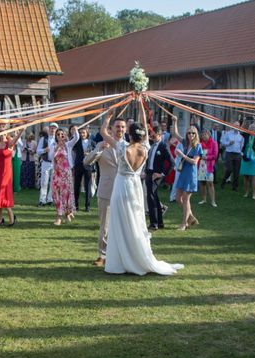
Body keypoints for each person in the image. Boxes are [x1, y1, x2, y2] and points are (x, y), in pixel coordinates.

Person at [101, 120, 183, 276]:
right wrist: (140, 104)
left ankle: (120, 261)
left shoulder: (122, 147)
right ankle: (136, 256)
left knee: (120, 222)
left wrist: (109, 114)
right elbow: (145, 124)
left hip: (121, 186)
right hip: (135, 187)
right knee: (135, 220)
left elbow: (103, 132)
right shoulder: (145, 147)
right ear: (143, 135)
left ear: (129, 135)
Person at [84, 117, 124, 266]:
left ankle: (118, 254)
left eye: (122, 127)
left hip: (123, 191)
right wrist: (99, 149)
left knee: (122, 224)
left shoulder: (127, 146)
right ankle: (102, 254)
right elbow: (86, 161)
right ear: (111, 129)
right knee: (105, 225)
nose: (120, 130)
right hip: (106, 189)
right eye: (117, 127)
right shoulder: (102, 145)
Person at [0, 127, 25, 227]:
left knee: (4, 193)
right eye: (0, 132)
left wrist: (21, 130)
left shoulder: (9, 143)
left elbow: (16, 139)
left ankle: (11, 218)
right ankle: (0, 219)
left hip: (6, 172)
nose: (2, 134)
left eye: (3, 132)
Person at [145, 125, 174, 230]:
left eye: (154, 134)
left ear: (160, 134)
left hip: (156, 175)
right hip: (149, 173)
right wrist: (146, 171)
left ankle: (154, 223)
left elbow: (172, 163)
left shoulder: (163, 146)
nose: (152, 136)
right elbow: (150, 160)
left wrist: (162, 174)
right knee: (155, 198)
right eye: (151, 134)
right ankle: (160, 223)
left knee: (151, 198)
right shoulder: (153, 145)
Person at [174, 126, 203, 231]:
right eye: (189, 133)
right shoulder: (186, 143)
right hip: (183, 173)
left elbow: (195, 162)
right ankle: (190, 216)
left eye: (193, 133)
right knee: (178, 198)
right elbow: (175, 134)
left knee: (186, 200)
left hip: (190, 174)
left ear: (196, 135)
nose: (191, 135)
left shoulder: (198, 146)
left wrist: (182, 155)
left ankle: (184, 223)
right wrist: (174, 121)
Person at [50, 128, 76, 225]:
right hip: (57, 173)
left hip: (66, 173)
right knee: (56, 195)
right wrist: (57, 147)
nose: (60, 136)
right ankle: (60, 215)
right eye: (58, 134)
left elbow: (76, 138)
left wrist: (75, 130)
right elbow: (50, 156)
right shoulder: (53, 145)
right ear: (56, 136)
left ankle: (66, 214)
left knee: (66, 194)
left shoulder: (68, 145)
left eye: (62, 134)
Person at [71, 126, 94, 212]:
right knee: (76, 186)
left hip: (88, 166)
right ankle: (75, 206)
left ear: (87, 133)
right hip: (78, 166)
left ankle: (87, 207)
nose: (82, 134)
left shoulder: (92, 142)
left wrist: (90, 154)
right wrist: (75, 132)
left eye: (83, 133)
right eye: (80, 133)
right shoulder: (76, 142)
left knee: (87, 186)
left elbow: (96, 153)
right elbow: (71, 143)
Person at [36, 123, 57, 206]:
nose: (52, 130)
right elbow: (38, 150)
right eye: (51, 128)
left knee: (53, 182)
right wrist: (45, 150)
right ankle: (42, 200)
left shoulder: (58, 139)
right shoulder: (43, 139)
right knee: (44, 182)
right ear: (49, 129)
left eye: (54, 128)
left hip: (55, 163)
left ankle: (50, 199)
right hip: (46, 162)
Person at [220, 122, 244, 191]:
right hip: (229, 153)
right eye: (236, 125)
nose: (237, 127)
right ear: (233, 126)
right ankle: (224, 181)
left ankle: (235, 187)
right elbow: (222, 142)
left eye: (238, 126)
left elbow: (241, 146)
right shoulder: (228, 133)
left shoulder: (240, 136)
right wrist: (228, 143)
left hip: (237, 154)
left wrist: (241, 153)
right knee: (229, 169)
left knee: (237, 171)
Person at [198, 128, 219, 207]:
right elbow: (198, 153)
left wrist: (207, 157)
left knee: (210, 183)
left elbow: (215, 155)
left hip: (209, 166)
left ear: (209, 135)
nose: (204, 136)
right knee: (202, 182)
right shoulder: (200, 144)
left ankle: (213, 201)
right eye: (202, 135)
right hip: (201, 165)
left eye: (205, 134)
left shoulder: (214, 143)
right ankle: (204, 199)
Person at [240, 121, 255, 199]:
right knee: (245, 176)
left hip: (254, 157)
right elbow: (240, 130)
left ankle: (254, 194)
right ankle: (246, 192)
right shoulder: (246, 135)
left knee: (253, 176)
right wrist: (244, 120)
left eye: (254, 128)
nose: (252, 128)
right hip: (245, 155)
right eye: (251, 127)